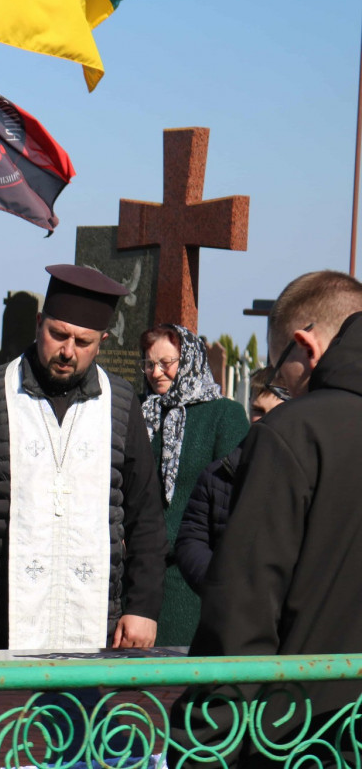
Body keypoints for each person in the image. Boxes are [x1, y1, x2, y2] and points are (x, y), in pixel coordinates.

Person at [174, 271, 362, 765]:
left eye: (280, 373)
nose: (284, 390)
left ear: (306, 345)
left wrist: (205, 744)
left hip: (303, 735)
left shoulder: (295, 432)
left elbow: (245, 609)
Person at [0, 265, 167, 651]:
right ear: (39, 324)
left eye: (83, 341)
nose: (68, 351)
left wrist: (143, 606)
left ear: (101, 341)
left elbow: (145, 514)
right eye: (58, 335)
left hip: (97, 620)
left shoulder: (120, 403)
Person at [138, 324, 248, 647]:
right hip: (143, 576)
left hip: (191, 580)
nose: (156, 372)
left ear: (189, 361)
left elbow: (231, 499)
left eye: (166, 362)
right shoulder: (144, 414)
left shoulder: (223, 415)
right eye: (148, 363)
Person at [173, 369, 285, 594]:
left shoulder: (307, 476)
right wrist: (221, 587)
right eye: (258, 411)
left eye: (276, 411)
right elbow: (191, 540)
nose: (266, 420)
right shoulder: (218, 475)